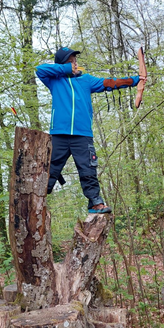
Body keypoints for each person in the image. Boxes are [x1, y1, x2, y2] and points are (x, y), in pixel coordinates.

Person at [36, 46, 146, 213]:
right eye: (70, 61)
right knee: (50, 168)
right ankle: (36, 199)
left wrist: (136, 80)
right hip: (59, 133)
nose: (74, 63)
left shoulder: (85, 80)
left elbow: (111, 83)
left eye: (75, 60)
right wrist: (65, 70)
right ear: (62, 64)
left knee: (88, 169)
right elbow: (40, 69)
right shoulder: (55, 81)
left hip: (82, 135)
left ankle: (95, 202)